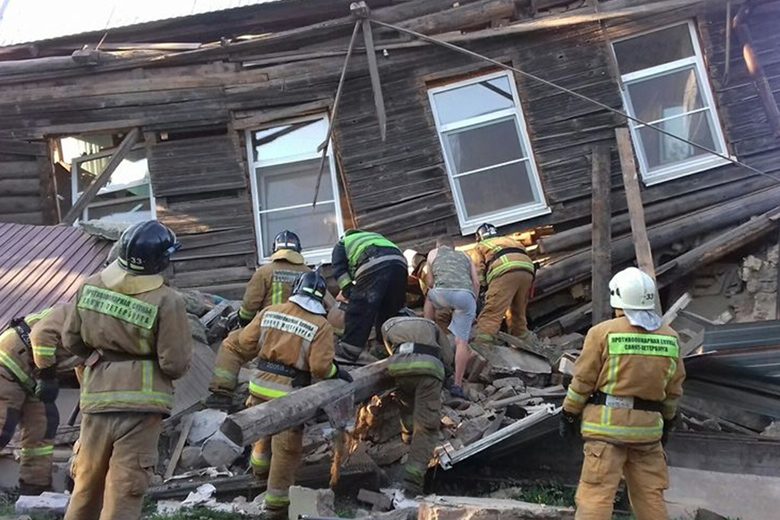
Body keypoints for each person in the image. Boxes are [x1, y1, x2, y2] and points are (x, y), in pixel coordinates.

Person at [63, 220, 192, 520]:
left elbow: (70, 340)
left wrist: (99, 357)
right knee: (124, 487)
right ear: (160, 261)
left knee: (86, 484)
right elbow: (174, 364)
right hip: (142, 407)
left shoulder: (90, 286)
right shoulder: (167, 300)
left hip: (97, 399)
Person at [210, 271, 351, 518]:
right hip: (289, 396)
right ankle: (276, 506)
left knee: (261, 432)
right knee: (286, 451)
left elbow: (245, 342)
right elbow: (320, 367)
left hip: (259, 386)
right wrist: (336, 371)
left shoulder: (270, 312)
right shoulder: (321, 325)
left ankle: (259, 475)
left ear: (295, 290)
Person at [559, 267, 686, 520]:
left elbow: (583, 381)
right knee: (650, 496)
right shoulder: (670, 337)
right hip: (647, 433)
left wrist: (569, 413)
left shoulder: (602, 333)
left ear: (617, 296)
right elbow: (673, 390)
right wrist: (668, 421)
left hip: (606, 432)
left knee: (596, 496)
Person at [0, 304, 72, 494]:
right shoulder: (81, 314)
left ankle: (35, 490)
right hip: (7, 362)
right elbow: (41, 335)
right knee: (3, 425)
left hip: (32, 375)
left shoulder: (104, 331)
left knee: (44, 424)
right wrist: (47, 376)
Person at [381, 316, 448, 496]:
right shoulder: (432, 325)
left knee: (406, 403)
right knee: (426, 426)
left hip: (399, 368)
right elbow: (447, 355)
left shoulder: (389, 323)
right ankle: (412, 481)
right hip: (429, 370)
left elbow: (390, 348)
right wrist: (447, 375)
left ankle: (408, 437)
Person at [331, 229, 407, 361]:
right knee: (390, 309)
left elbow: (339, 270)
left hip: (372, 259)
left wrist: (348, 290)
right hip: (400, 263)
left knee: (360, 308)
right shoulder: (376, 237)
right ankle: (384, 347)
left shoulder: (342, 244)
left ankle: (349, 350)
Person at [424, 237, 479, 398]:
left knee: (429, 297)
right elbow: (476, 283)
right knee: (462, 342)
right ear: (453, 247)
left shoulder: (433, 253)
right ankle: (457, 385)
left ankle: (427, 329)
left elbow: (430, 282)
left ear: (438, 246)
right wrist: (473, 303)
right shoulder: (466, 255)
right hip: (466, 296)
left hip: (442, 294)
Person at [470, 223, 535, 344]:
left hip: (504, 270)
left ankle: (482, 344)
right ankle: (523, 341)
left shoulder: (480, 247)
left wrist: (483, 288)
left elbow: (478, 271)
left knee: (492, 312)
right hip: (527, 270)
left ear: (479, 237)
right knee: (518, 312)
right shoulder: (511, 240)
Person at [237, 230, 311, 327]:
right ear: (299, 250)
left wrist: (244, 321)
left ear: (274, 249)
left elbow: (250, 304)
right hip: (301, 327)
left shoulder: (264, 272)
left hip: (270, 328)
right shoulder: (309, 273)